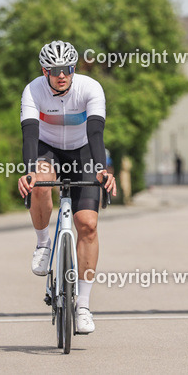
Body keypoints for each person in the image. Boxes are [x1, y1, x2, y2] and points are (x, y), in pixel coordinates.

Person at [17, 40, 116, 336]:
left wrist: (100, 169)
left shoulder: (90, 88)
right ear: (45, 70)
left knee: (87, 225)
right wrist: (30, 170)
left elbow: (96, 131)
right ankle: (43, 243)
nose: (62, 75)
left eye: (68, 69)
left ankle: (83, 305)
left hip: (82, 151)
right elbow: (30, 135)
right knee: (41, 184)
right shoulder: (33, 90)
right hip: (47, 149)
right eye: (56, 70)